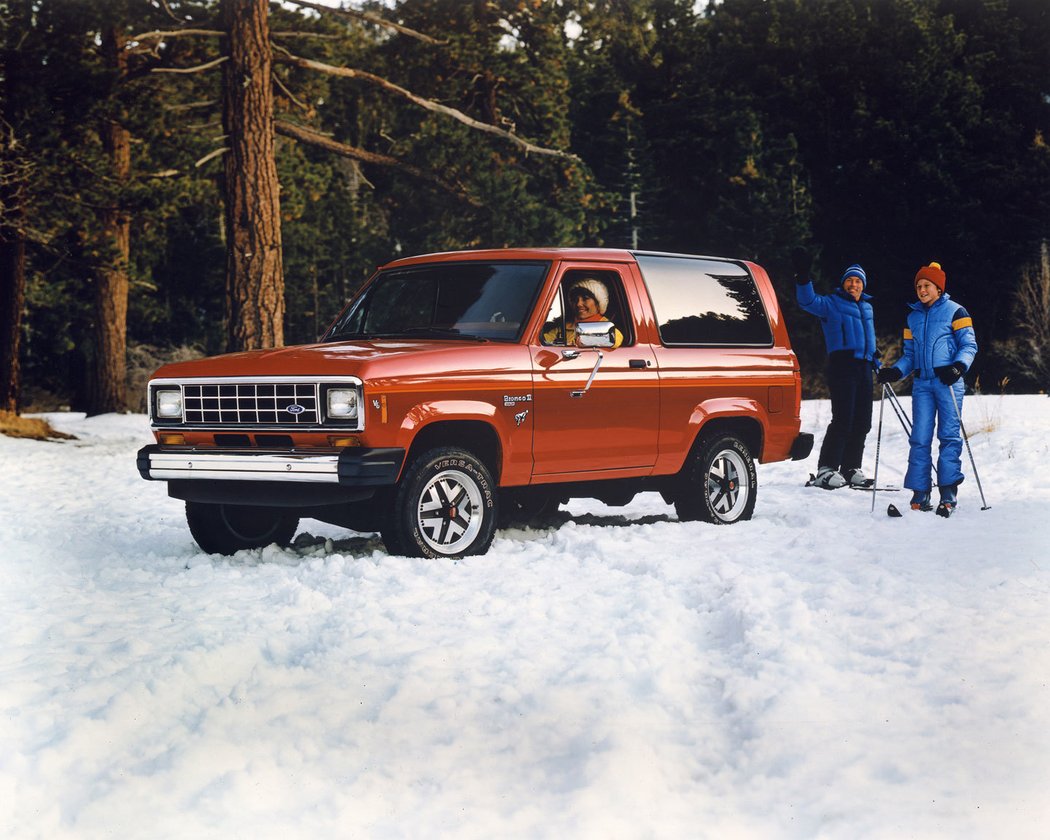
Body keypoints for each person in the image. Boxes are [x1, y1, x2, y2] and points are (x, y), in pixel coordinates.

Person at [876, 262, 978, 517]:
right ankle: (920, 493)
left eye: (927, 285)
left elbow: (969, 345)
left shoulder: (957, 311)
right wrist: (895, 371)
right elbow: (909, 355)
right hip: (922, 384)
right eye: (919, 286)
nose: (922, 290)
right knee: (919, 438)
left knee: (949, 436)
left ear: (939, 288)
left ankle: (948, 493)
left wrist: (958, 367)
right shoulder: (913, 316)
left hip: (948, 382)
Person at [794, 249, 879, 489]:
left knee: (863, 422)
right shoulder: (831, 304)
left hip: (864, 367)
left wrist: (878, 362)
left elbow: (869, 339)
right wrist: (803, 276)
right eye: (850, 280)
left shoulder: (868, 308)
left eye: (858, 281)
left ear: (863, 285)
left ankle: (851, 467)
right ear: (843, 284)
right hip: (842, 365)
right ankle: (826, 469)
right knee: (843, 419)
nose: (854, 284)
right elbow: (807, 301)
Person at [543, 276, 624, 349]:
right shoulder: (564, 327)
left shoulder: (604, 325)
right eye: (575, 299)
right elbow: (543, 340)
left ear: (598, 303)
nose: (578, 304)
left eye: (585, 299)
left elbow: (617, 339)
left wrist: (586, 340)